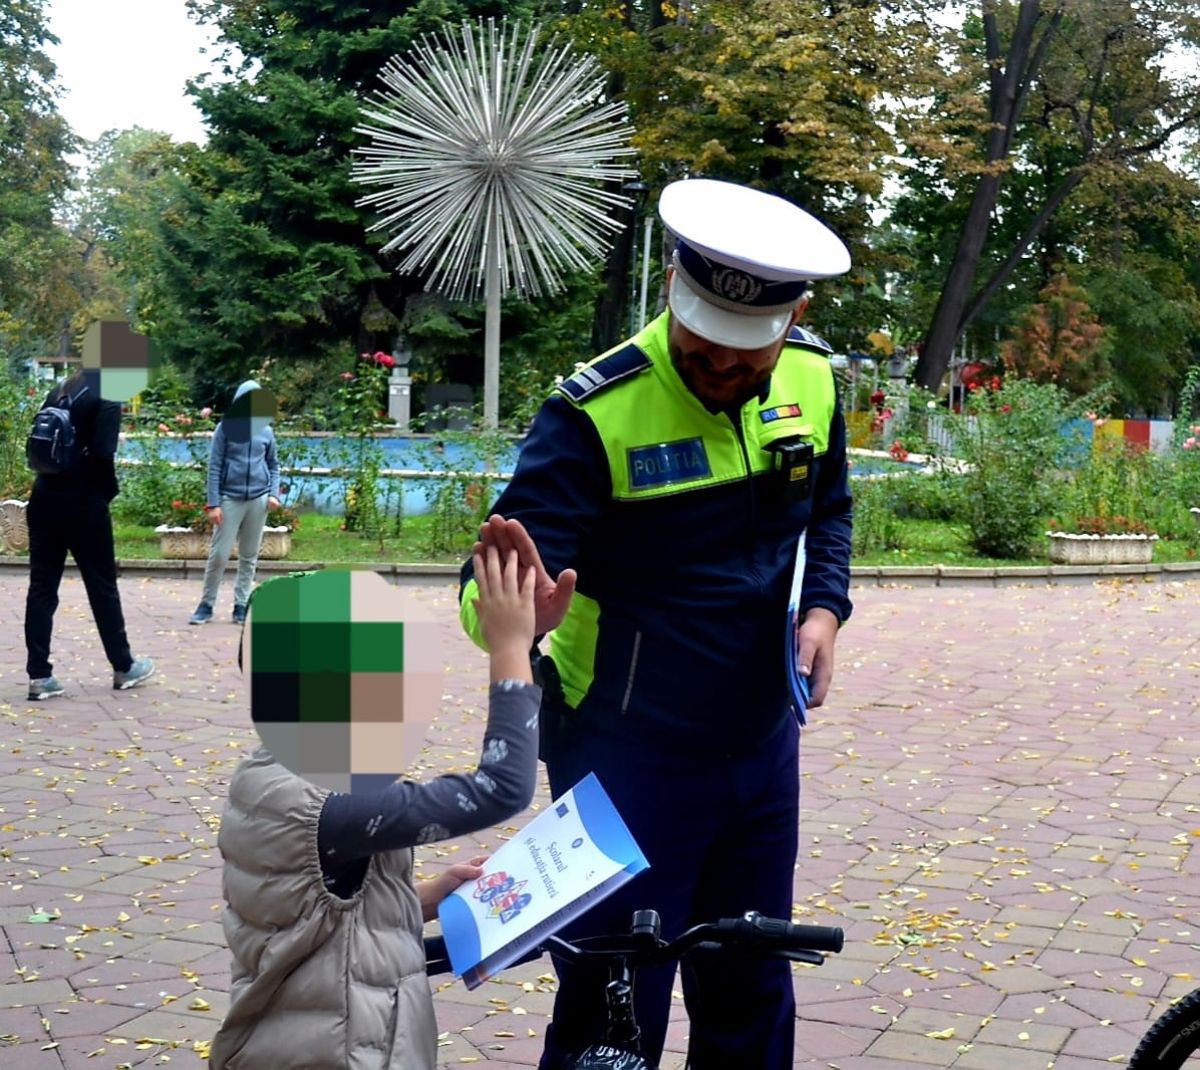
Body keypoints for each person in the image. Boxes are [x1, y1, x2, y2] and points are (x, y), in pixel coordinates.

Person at [458, 178, 854, 1069]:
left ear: (793, 319)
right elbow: (485, 588)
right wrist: (518, 619)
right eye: (701, 340)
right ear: (674, 286)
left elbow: (829, 510)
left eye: (744, 353)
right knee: (613, 1006)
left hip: (761, 744)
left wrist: (826, 608)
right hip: (627, 754)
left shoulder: (814, 378)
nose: (718, 366)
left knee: (751, 982)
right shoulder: (592, 414)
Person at [210, 536, 548, 1070]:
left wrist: (428, 897)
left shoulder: (271, 777)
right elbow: (500, 788)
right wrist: (511, 645)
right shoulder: (328, 807)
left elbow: (314, 913)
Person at [24, 368, 155, 700]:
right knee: (102, 586)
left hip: (43, 497)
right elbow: (102, 455)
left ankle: (39, 676)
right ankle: (123, 666)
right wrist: (105, 495)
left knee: (41, 587)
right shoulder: (107, 394)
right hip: (83, 503)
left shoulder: (61, 389)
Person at [189, 379, 281, 625]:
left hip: (258, 499)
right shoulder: (224, 429)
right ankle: (206, 604)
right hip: (230, 498)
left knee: (249, 556)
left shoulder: (266, 431)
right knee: (219, 554)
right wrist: (213, 504)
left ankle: (241, 604)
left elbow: (273, 464)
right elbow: (215, 467)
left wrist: (273, 494)